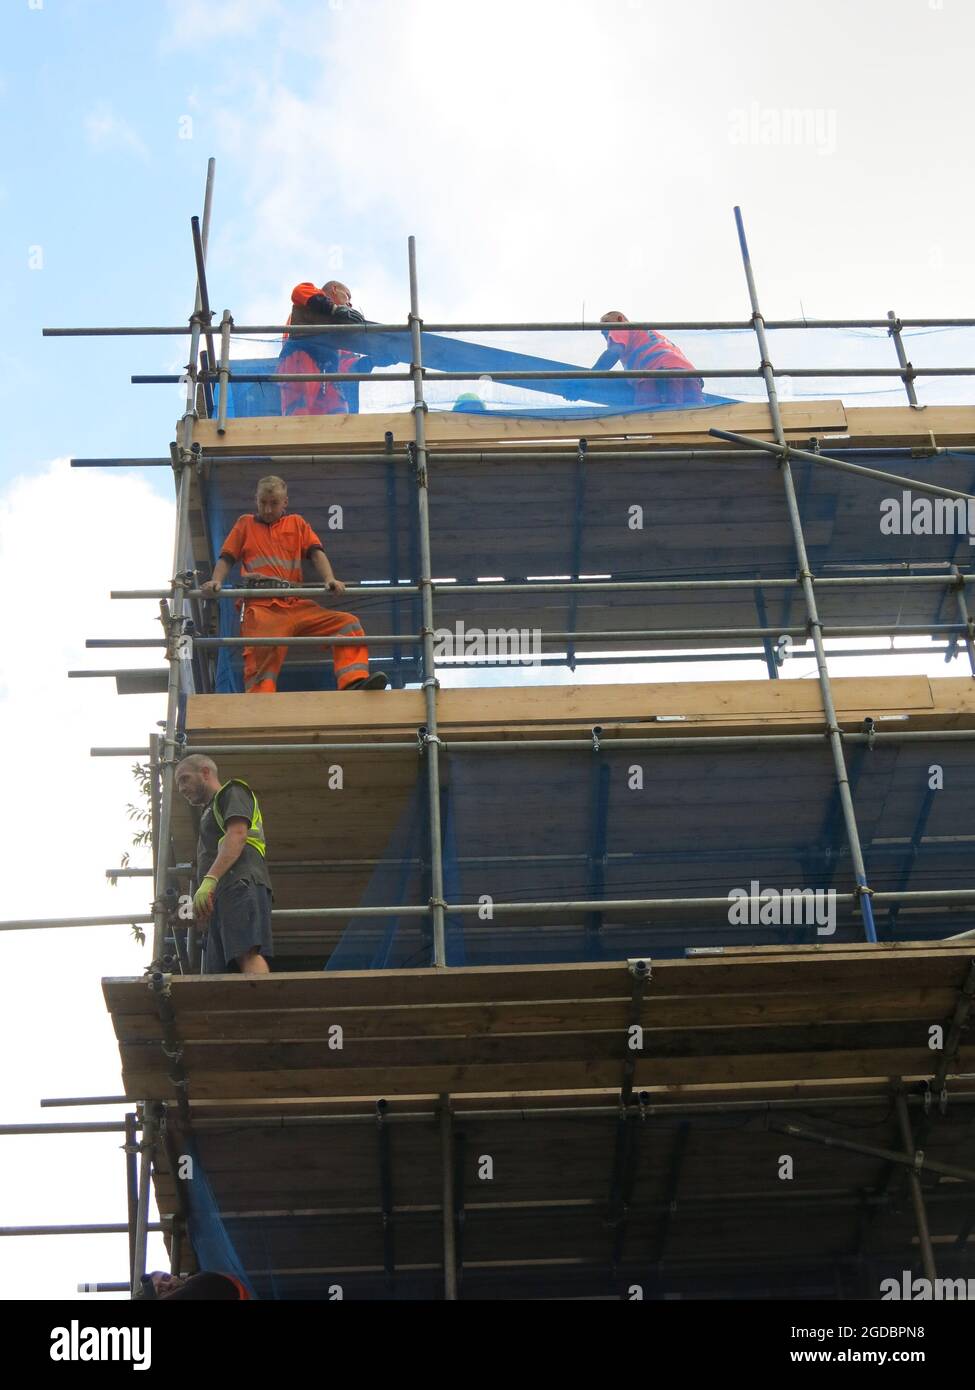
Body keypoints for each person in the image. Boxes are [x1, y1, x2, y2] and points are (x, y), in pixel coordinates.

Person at [201, 474, 388, 693]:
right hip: (262, 607)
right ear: (256, 500)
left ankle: (353, 682)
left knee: (347, 624)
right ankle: (261, 707)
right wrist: (216, 581)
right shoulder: (245, 524)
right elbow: (227, 557)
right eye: (263, 503)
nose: (268, 509)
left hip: (294, 603)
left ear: (285, 503)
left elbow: (316, 553)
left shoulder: (296, 523)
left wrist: (329, 578)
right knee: (262, 659)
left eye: (274, 503)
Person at [175, 753, 273, 976]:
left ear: (205, 773)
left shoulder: (232, 792)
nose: (181, 788)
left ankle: (265, 1007)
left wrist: (210, 879)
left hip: (240, 881)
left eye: (184, 779)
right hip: (224, 891)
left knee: (246, 953)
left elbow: (237, 834)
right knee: (221, 972)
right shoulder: (208, 813)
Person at [276, 279, 371, 416]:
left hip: (328, 372)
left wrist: (370, 361)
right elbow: (299, 290)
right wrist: (334, 309)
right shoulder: (309, 303)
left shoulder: (338, 329)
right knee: (299, 408)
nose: (350, 303)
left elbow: (345, 363)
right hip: (301, 357)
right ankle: (297, 433)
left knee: (339, 413)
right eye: (347, 296)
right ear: (334, 289)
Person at [593, 310, 704, 408]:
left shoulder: (621, 327)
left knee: (647, 418)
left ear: (620, 319)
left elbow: (613, 353)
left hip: (655, 373)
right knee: (695, 417)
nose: (607, 334)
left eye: (606, 328)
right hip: (689, 375)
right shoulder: (647, 335)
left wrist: (588, 378)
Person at [142, 1270, 251, 1300]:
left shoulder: (201, 1280)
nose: (168, 1285)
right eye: (160, 1289)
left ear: (174, 1276)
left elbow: (190, 1292)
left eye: (166, 1278)